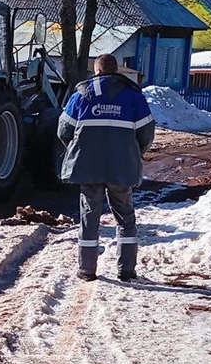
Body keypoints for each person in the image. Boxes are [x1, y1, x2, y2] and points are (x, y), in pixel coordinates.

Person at [57, 54, 155, 282]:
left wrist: (77, 149)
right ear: (117, 71)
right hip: (121, 168)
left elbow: (63, 130)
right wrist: (134, 153)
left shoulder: (81, 95)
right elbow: (147, 132)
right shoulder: (133, 96)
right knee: (126, 218)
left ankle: (87, 270)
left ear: (97, 71)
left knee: (89, 216)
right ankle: (127, 270)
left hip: (88, 167)